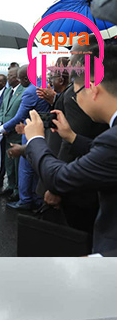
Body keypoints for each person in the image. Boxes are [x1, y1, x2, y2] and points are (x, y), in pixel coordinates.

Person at [23, 39, 117, 253]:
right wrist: (72, 137)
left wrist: (35, 139)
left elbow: (59, 177)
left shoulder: (111, 139)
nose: (76, 97)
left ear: (93, 89)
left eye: (77, 91)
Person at [0, 63, 51, 211]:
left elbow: (19, 117)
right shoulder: (43, 85)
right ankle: (36, 199)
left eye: (18, 78)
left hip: (29, 133)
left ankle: (25, 200)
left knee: (25, 169)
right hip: (43, 134)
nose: (17, 80)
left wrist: (0, 129)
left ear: (25, 79)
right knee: (35, 169)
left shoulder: (29, 91)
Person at [0, 67, 25, 199]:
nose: (7, 78)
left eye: (10, 76)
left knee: (17, 164)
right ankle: (11, 186)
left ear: (17, 78)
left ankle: (18, 190)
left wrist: (5, 128)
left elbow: (20, 115)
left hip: (16, 133)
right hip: (6, 133)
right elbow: (3, 109)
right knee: (9, 162)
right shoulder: (8, 91)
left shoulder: (24, 91)